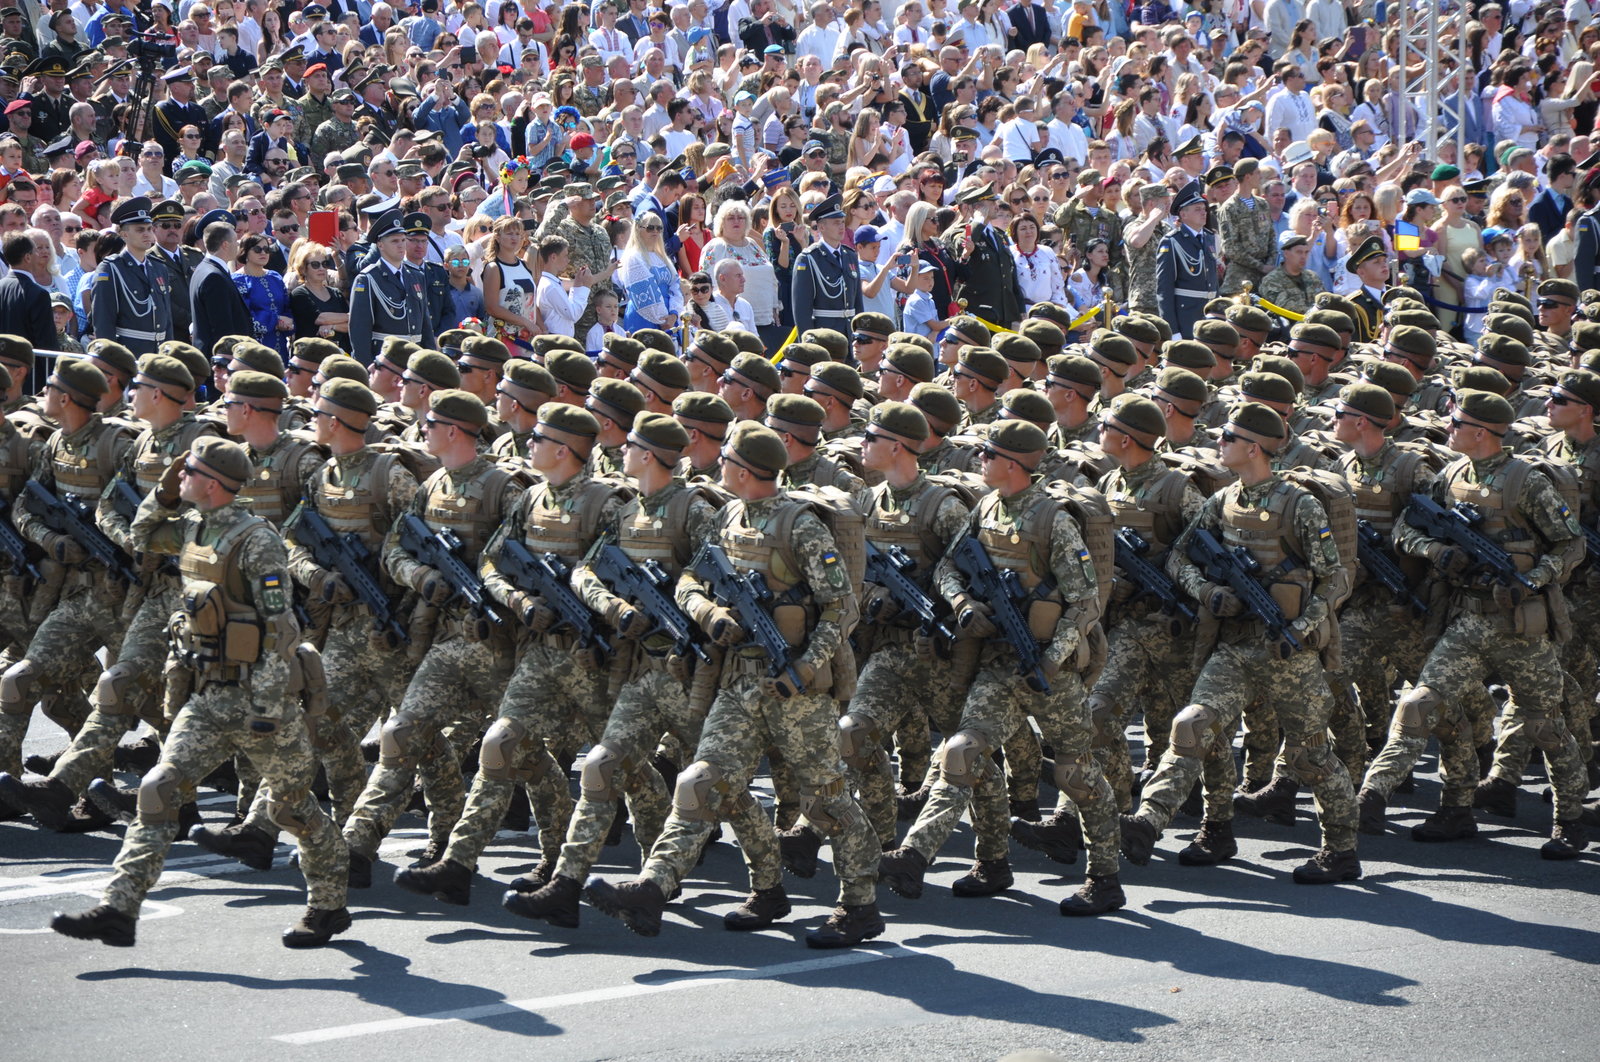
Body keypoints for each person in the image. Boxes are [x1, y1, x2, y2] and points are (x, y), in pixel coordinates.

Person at [586, 420, 885, 948]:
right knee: (700, 782)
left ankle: (860, 905)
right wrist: (709, 612)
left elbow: (842, 607)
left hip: (796, 690)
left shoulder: (801, 527)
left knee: (827, 801)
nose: (716, 463)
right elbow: (689, 581)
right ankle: (657, 887)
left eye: (725, 458)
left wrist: (807, 666)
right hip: (738, 680)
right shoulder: (727, 515)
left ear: (745, 471)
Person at [46, 436, 351, 950]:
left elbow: (281, 629)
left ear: (212, 482)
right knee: (158, 788)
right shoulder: (191, 526)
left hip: (260, 700)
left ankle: (328, 905)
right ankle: (119, 909)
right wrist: (164, 494)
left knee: (292, 809)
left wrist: (266, 707)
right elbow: (140, 535)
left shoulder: (257, 541)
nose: (178, 475)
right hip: (208, 694)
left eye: (186, 470)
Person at [880, 417, 1126, 915]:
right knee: (961, 753)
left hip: (1049, 670)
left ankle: (1105, 876)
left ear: (1013, 464)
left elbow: (1085, 603)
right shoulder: (987, 507)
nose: (980, 461)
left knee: (1076, 771)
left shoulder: (1052, 520)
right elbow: (949, 567)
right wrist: (964, 604)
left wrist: (1052, 661)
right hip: (998, 663)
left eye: (989, 455)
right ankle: (923, 856)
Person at [1120, 401, 1359, 884]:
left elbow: (1337, 577)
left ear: (1255, 447)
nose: (1218, 444)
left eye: (1228, 438)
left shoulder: (1300, 504)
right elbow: (1178, 559)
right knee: (1191, 728)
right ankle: (1151, 822)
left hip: (1288, 649)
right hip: (1234, 645)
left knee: (1311, 754)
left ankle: (1341, 848)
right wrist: (1207, 590)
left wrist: (1302, 625)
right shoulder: (1221, 501)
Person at [347, 208, 437, 363]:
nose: (401, 246)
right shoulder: (368, 278)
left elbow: (425, 326)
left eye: (403, 240)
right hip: (385, 360)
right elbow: (359, 330)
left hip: (415, 359)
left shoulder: (416, 275)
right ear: (380, 245)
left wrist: (431, 359)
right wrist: (366, 367)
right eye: (394, 241)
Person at [90, 197, 173, 357]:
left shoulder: (158, 266)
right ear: (123, 234)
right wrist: (110, 359)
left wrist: (167, 353)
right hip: (128, 354)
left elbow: (166, 318)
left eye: (149, 229)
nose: (147, 234)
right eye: (140, 230)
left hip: (158, 354)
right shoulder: (111, 267)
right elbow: (103, 321)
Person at [790, 193, 862, 335]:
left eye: (842, 221)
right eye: (836, 223)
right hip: (824, 334)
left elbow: (857, 302)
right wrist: (809, 344)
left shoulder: (850, 255)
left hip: (850, 334)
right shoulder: (808, 259)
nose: (841, 227)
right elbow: (802, 310)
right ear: (821, 227)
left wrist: (860, 334)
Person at [1155, 181, 1217, 340]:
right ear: (1183, 214)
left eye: (1204, 209)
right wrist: (1173, 330)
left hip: (1210, 315)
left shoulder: (1209, 238)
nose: (1203, 213)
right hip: (1186, 317)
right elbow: (1164, 290)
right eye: (1197, 209)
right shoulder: (1172, 241)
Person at [191, 215, 253, 357]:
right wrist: (227, 360)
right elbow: (221, 327)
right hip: (221, 359)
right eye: (235, 242)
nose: (238, 245)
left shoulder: (205, 269)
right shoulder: (214, 277)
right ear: (225, 244)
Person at [619, 210, 682, 334]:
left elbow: (676, 286)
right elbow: (644, 292)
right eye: (650, 228)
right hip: (644, 318)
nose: (655, 231)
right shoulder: (633, 257)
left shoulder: (662, 258)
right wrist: (663, 320)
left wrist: (674, 314)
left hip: (669, 318)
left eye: (659, 228)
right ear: (638, 230)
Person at [233, 231, 292, 357]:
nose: (263, 253)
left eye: (266, 249)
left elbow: (286, 307)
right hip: (254, 348)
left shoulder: (275, 277)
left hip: (280, 346)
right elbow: (244, 317)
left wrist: (288, 322)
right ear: (245, 252)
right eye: (257, 249)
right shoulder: (237, 281)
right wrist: (275, 320)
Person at [287, 241, 350, 349]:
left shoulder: (336, 293)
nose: (321, 268)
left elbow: (351, 326)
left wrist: (332, 326)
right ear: (303, 269)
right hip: (310, 354)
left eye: (325, 264)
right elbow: (321, 318)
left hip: (339, 353)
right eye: (315, 265)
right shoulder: (299, 294)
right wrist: (349, 316)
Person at [0, 231, 56, 351]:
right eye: (36, 250)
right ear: (28, 257)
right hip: (27, 366)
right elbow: (46, 343)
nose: (39, 254)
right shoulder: (38, 295)